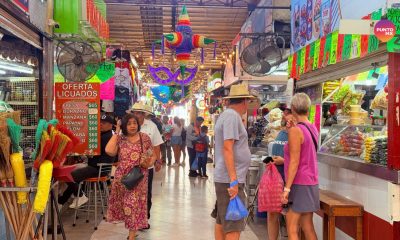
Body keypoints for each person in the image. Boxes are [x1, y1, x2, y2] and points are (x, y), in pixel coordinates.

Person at [213, 83, 255, 240]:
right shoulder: (232, 117)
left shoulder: (228, 115)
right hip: (229, 179)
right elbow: (228, 148)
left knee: (222, 220)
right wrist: (233, 180)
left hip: (226, 178)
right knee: (233, 225)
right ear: (244, 101)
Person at [106, 114, 156, 240]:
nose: (132, 126)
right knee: (126, 206)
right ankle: (132, 230)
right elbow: (109, 150)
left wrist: (149, 162)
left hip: (139, 178)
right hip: (122, 179)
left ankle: (131, 236)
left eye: (134, 123)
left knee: (132, 205)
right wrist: (117, 131)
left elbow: (153, 154)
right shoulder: (120, 138)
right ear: (124, 126)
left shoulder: (144, 138)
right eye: (129, 123)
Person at [58, 114, 115, 209]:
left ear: (111, 125)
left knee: (68, 175)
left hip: (98, 168)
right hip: (96, 166)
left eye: (104, 123)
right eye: (100, 122)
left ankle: (80, 196)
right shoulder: (105, 135)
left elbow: (92, 151)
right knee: (73, 174)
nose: (101, 124)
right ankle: (64, 200)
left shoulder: (106, 137)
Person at [282, 93, 319, 240]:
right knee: (307, 226)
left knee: (291, 228)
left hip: (298, 182)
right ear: (308, 109)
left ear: (293, 109)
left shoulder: (296, 131)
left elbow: (294, 161)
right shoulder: (312, 128)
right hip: (311, 182)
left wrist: (286, 188)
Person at [128, 102, 164, 227]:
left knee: (146, 193)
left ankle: (144, 219)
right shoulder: (129, 126)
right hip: (130, 166)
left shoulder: (152, 126)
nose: (136, 115)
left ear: (144, 114)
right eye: (134, 112)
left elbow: (156, 145)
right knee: (131, 193)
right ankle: (132, 219)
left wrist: (158, 160)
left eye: (139, 113)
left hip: (147, 166)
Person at [266, 110, 293, 240]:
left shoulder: (297, 134)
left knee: (289, 217)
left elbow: (300, 160)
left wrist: (284, 161)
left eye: (288, 113)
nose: (284, 116)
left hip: (289, 183)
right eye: (285, 114)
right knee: (272, 214)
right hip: (275, 181)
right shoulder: (281, 133)